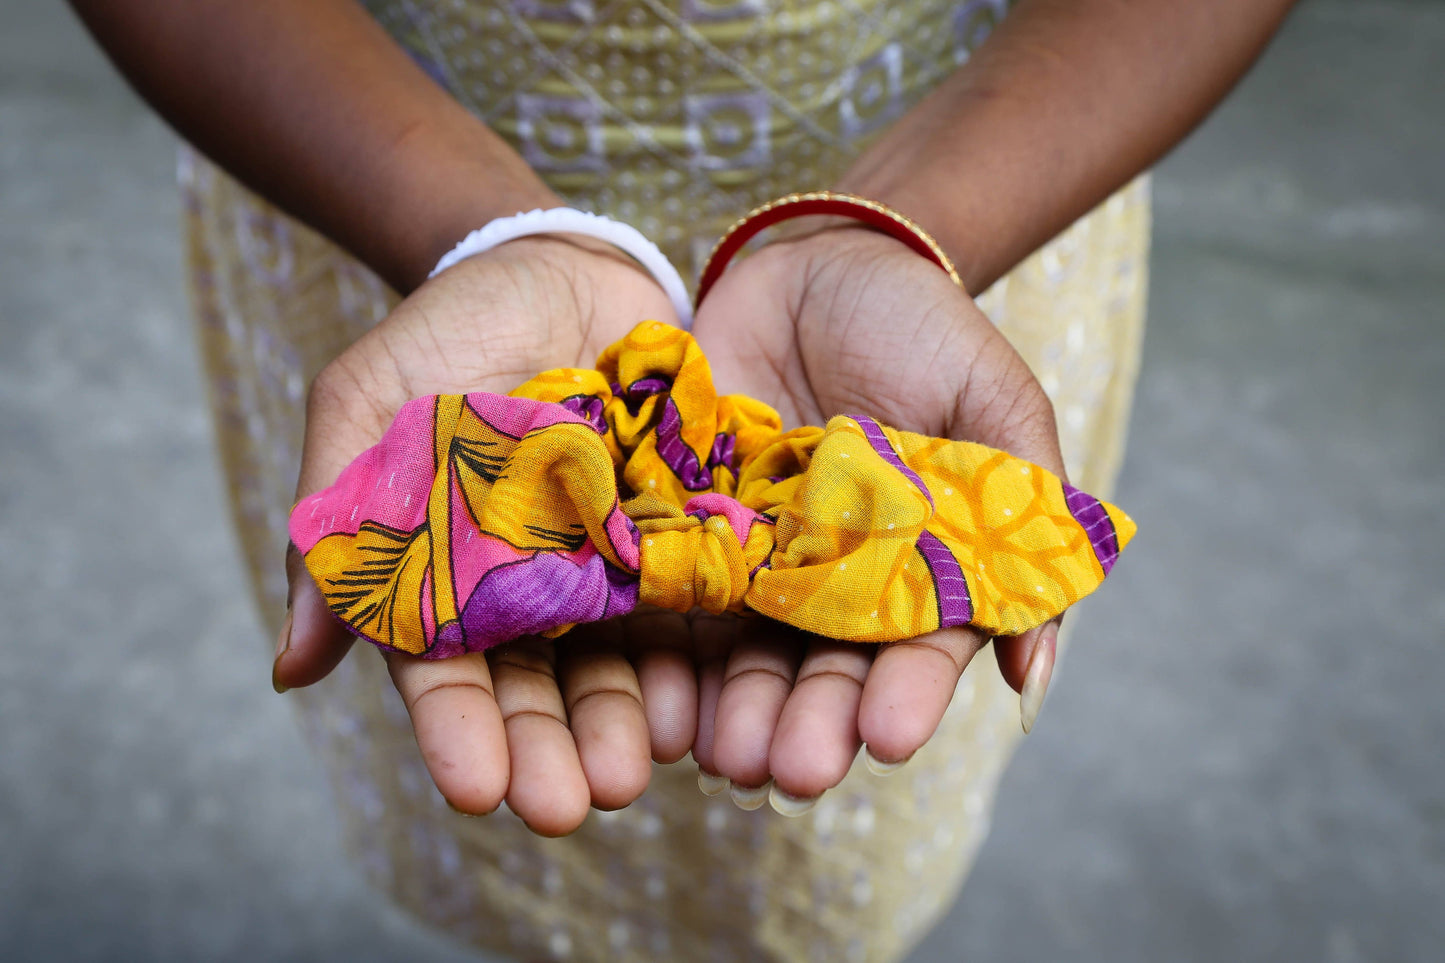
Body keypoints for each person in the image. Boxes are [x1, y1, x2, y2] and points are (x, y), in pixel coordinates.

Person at [72, 1, 1296, 959]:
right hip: (385, 212)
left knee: (825, 862)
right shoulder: (460, 444)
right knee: (496, 821)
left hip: (971, 218)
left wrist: (900, 227)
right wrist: (482, 235)